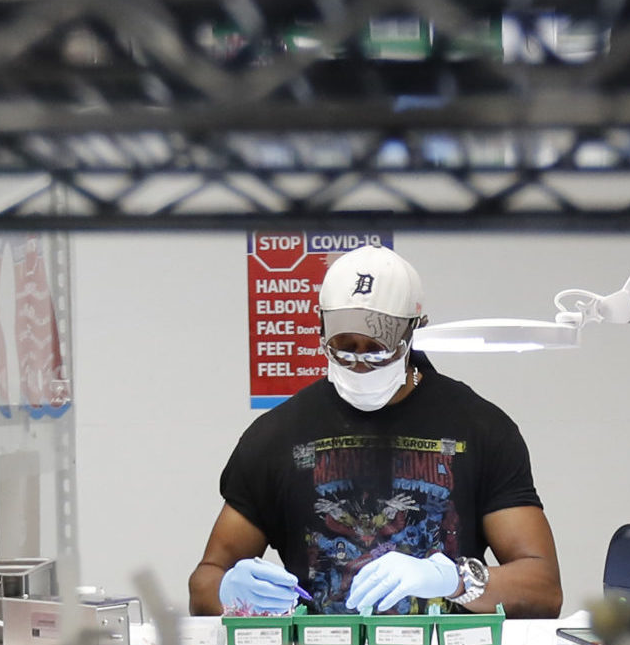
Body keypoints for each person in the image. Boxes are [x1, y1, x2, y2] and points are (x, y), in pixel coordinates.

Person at [190, 246, 562, 619]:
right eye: (344, 348)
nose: (360, 363)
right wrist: (228, 591)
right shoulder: (276, 438)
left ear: (414, 332)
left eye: (377, 350)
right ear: (321, 330)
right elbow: (205, 581)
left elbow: (544, 589)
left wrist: (456, 580)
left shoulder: (479, 428)